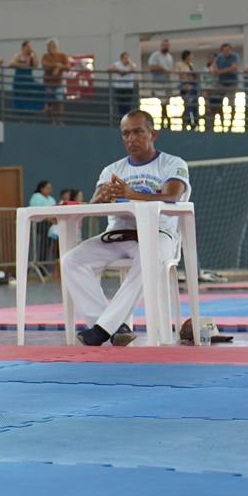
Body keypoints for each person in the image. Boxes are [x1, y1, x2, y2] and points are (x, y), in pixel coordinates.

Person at [61, 109, 190, 347]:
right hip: (117, 235)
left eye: (138, 132)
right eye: (125, 134)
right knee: (71, 260)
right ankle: (112, 325)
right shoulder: (112, 170)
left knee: (149, 257)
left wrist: (129, 193)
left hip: (157, 234)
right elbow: (95, 203)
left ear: (153, 134)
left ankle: (101, 329)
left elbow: (172, 195)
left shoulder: (172, 163)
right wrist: (99, 199)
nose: (131, 138)